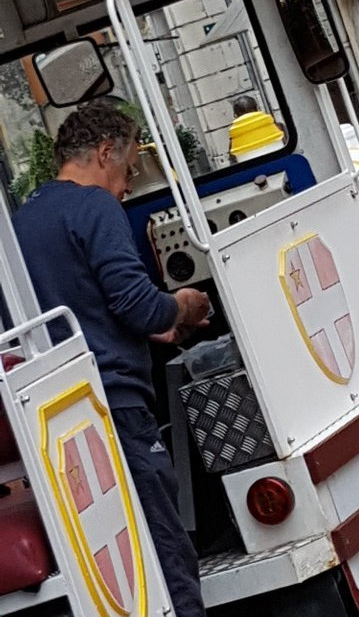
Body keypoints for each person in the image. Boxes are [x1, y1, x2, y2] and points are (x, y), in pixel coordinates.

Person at [13, 100, 210, 617]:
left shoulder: (21, 224)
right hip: (115, 408)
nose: (125, 188)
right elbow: (135, 302)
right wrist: (181, 307)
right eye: (126, 173)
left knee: (111, 561)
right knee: (164, 546)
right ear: (105, 153)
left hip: (53, 420)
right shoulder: (95, 207)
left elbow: (75, 308)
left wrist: (148, 327)